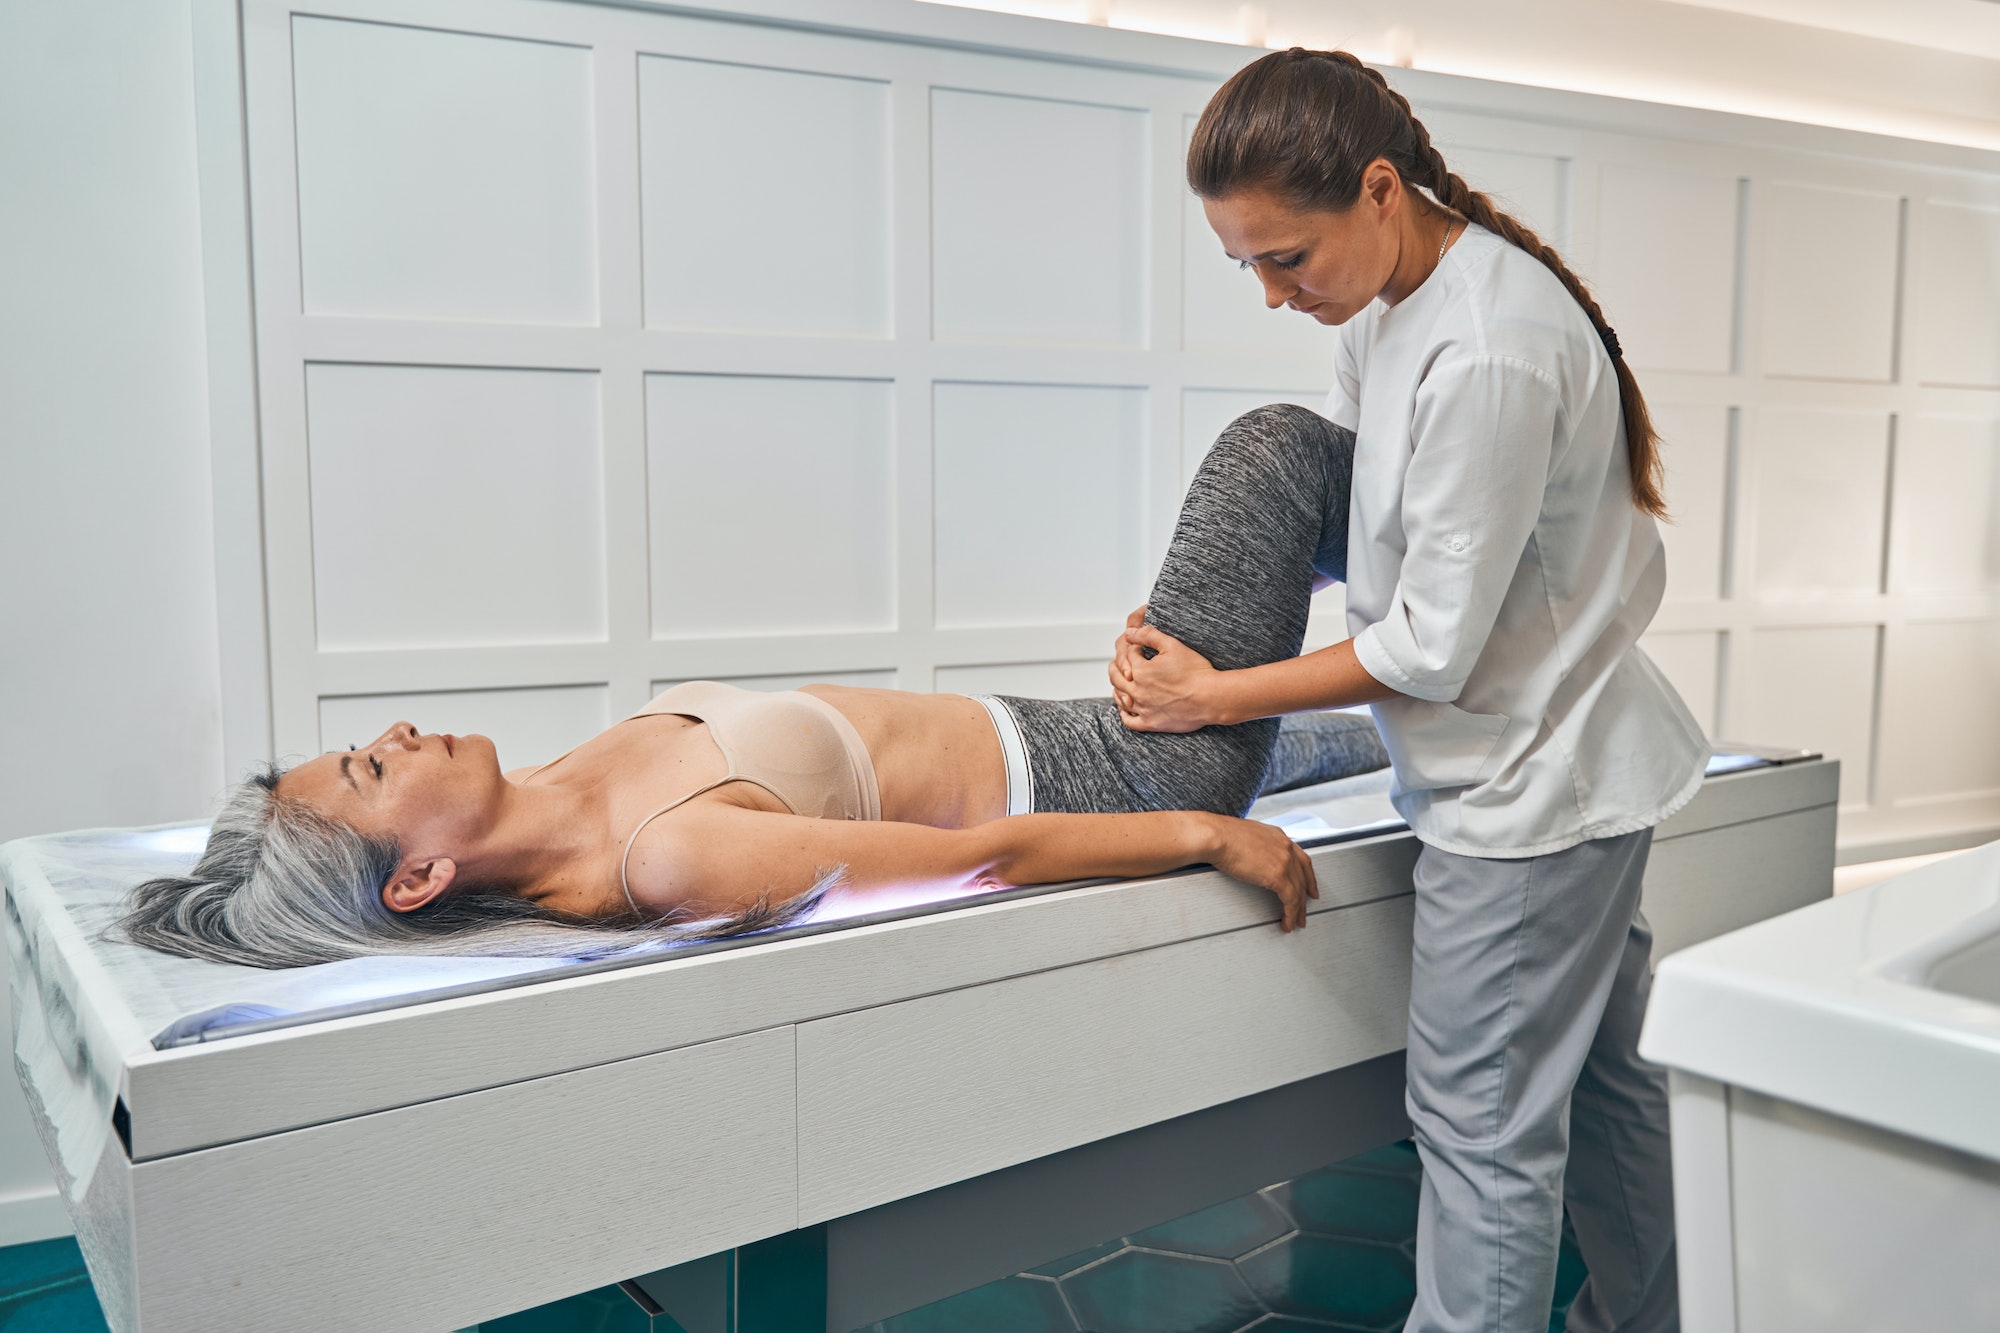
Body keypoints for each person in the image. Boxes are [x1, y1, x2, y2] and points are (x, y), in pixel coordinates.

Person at [1112, 49, 1706, 1333]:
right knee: (1605, 1096)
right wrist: (1232, 575)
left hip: (1529, 794)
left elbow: (1426, 645)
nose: (1272, 294)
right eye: (1246, 266)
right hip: (1551, 757)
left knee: (1479, 1131)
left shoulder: (1488, 349)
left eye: (1287, 258)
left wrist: (1214, 699)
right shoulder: (1387, 303)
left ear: (1380, 191)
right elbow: (1377, 527)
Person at [115, 405, 1386, 970]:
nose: (391, 734)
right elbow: (982, 856)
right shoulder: (668, 857)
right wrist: (1208, 825)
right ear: (416, 880)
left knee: (1385, 734)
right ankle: (1525, 541)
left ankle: (1465, 632)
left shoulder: (555, 783)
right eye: (373, 769)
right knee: (1272, 453)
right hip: (1134, 766)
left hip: (1075, 714)